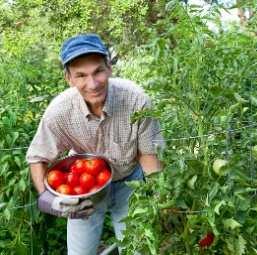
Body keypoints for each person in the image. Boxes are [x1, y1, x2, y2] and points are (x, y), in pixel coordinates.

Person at [26, 33, 164, 255]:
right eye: (81, 75)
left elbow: (148, 154)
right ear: (68, 78)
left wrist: (162, 196)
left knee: (137, 247)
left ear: (109, 67)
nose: (92, 84)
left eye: (98, 71)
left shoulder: (136, 100)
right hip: (84, 189)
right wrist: (46, 197)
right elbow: (38, 157)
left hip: (130, 181)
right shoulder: (59, 112)